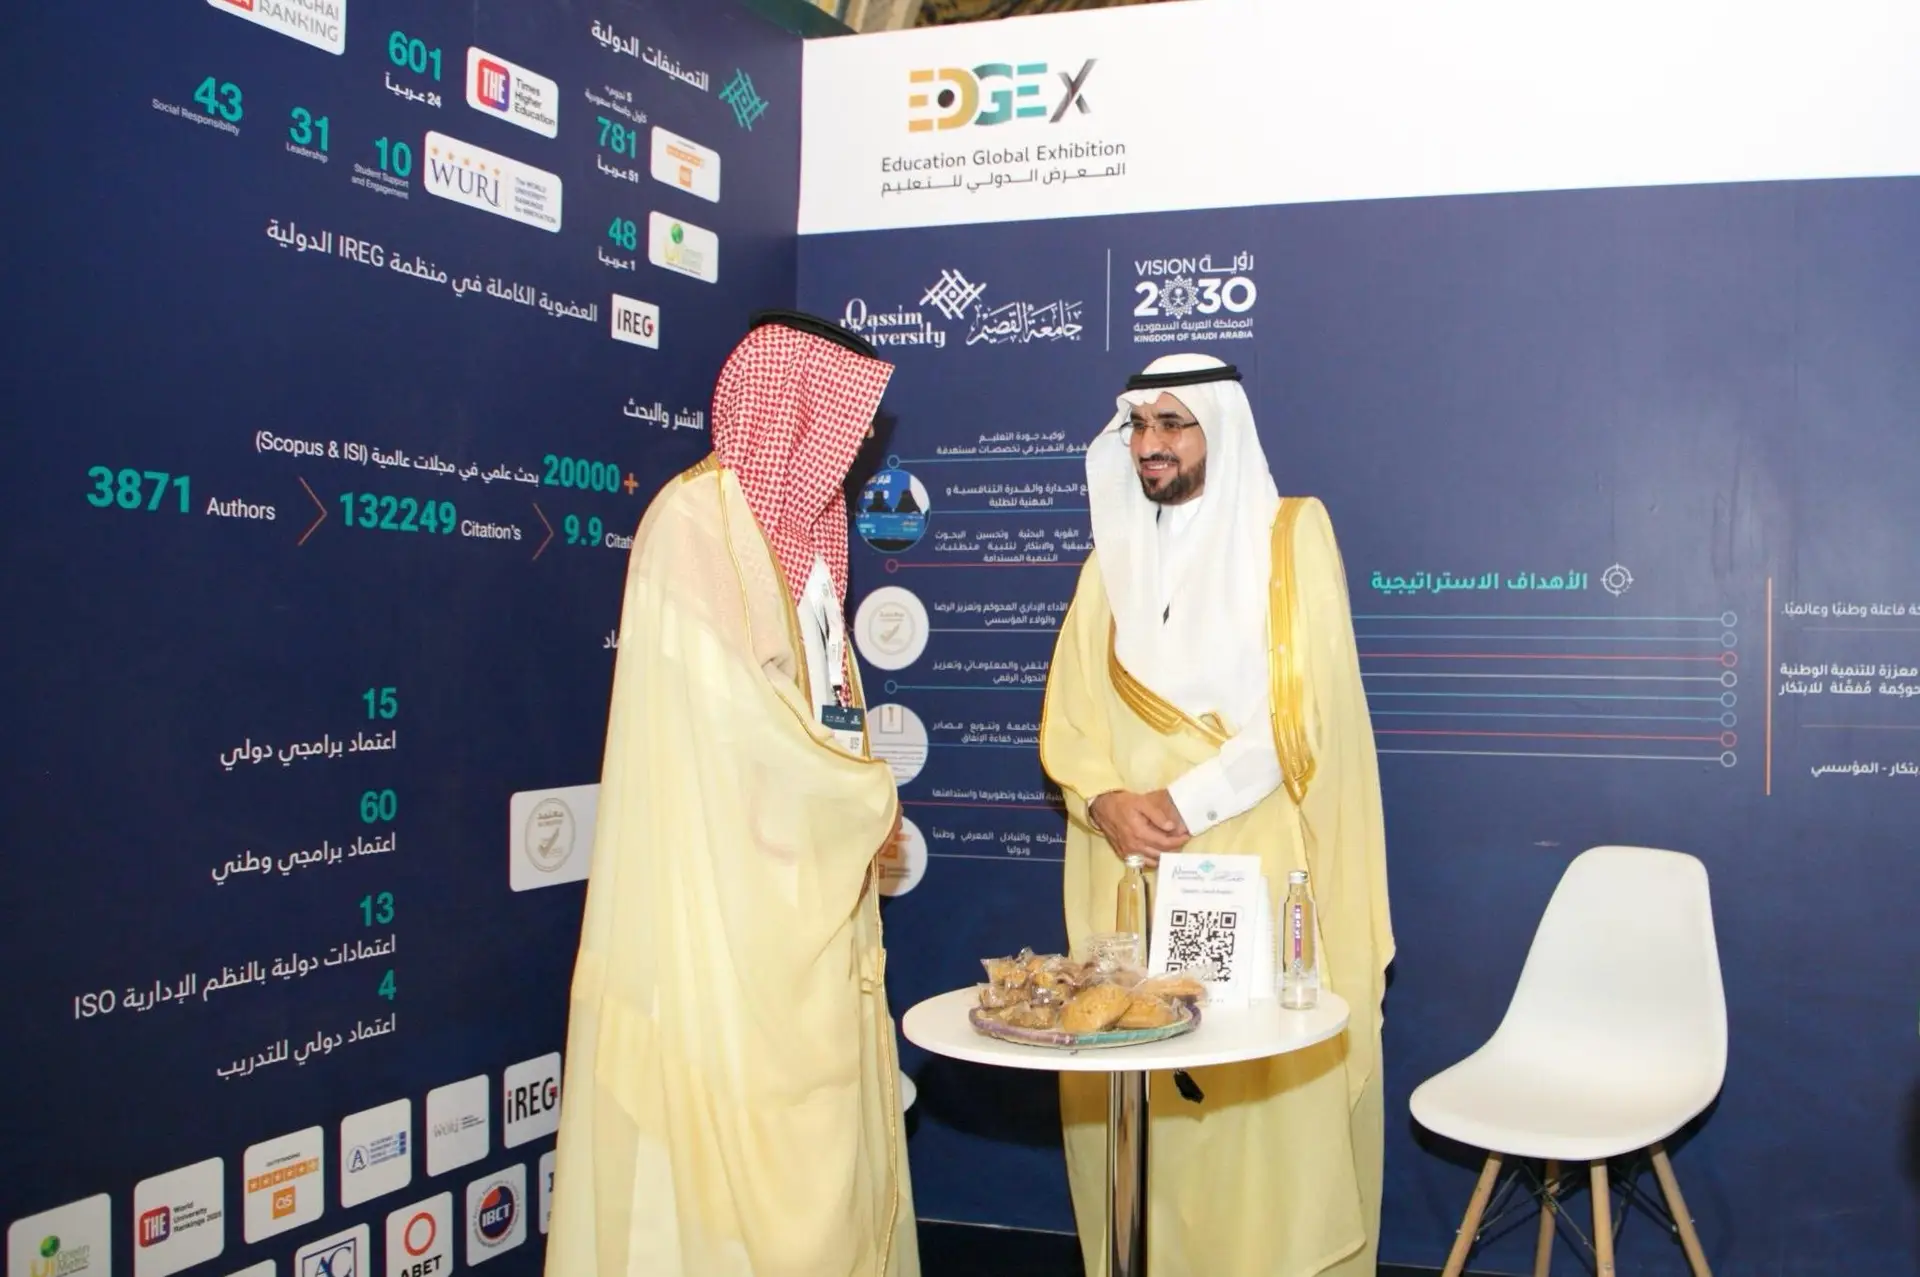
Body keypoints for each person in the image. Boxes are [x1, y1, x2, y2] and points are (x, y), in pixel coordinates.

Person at [544, 310, 919, 1277]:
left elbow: (827, 705)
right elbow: (727, 722)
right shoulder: (692, 525)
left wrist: (851, 788)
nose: (847, 456)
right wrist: (860, 794)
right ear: (786, 408)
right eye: (834, 427)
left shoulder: (809, 538)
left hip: (810, 915)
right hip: (717, 919)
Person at [1039, 352, 1394, 1277]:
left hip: (1240, 861)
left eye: (1174, 423)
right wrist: (1107, 799)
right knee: (1142, 1100)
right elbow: (1069, 716)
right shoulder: (1105, 561)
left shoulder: (1290, 537)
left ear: (1218, 429)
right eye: (1140, 427)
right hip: (1127, 874)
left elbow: (1300, 714)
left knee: (1243, 1100)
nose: (1152, 445)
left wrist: (1181, 803)